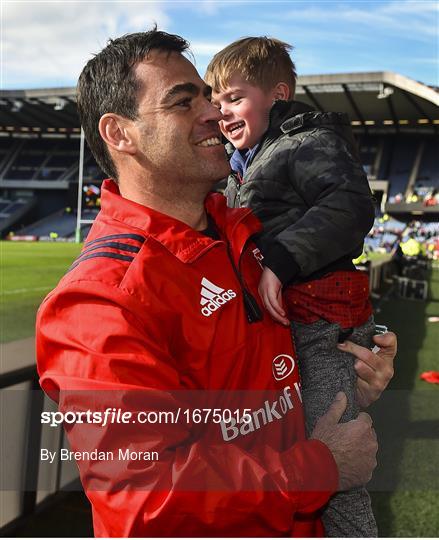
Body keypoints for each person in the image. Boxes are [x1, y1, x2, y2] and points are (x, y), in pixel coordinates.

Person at [36, 30, 395, 537]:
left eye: (207, 95)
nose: (212, 112)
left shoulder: (247, 237)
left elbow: (261, 388)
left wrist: (343, 381)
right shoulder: (98, 301)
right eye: (184, 102)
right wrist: (322, 467)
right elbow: (146, 500)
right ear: (120, 133)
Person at [206, 37, 380, 536]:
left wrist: (279, 262)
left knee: (335, 458)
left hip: (322, 327)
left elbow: (349, 206)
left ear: (278, 96)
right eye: (215, 101)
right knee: (284, 452)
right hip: (289, 326)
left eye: (233, 97)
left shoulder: (305, 142)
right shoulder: (241, 161)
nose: (221, 111)